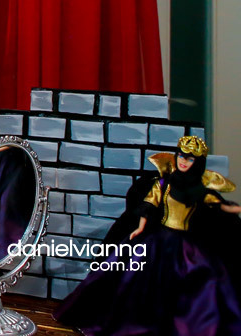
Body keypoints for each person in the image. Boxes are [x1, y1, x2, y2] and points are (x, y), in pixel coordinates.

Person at [55, 135, 241, 335]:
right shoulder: (163, 183)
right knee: (136, 274)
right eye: (181, 156)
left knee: (198, 280)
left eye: (189, 159)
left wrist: (235, 209)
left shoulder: (199, 191)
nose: (183, 161)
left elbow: (219, 207)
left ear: (198, 163)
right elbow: (149, 206)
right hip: (159, 238)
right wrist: (139, 228)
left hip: (184, 243)